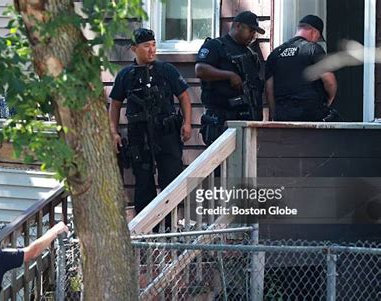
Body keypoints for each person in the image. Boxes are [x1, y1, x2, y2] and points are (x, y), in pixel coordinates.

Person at [109, 28, 192, 215]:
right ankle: (146, 234)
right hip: (139, 136)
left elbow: (184, 97)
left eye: (154, 45)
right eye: (146, 46)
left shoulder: (167, 70)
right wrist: (113, 132)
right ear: (134, 48)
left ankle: (170, 228)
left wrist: (187, 123)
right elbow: (114, 105)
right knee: (143, 182)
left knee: (171, 178)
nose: (152, 50)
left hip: (167, 133)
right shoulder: (126, 75)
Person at [195, 11, 265, 145]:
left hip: (246, 116)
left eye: (254, 32)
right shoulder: (215, 46)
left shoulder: (250, 54)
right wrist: (229, 75)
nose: (252, 35)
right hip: (221, 118)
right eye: (251, 30)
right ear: (238, 26)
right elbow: (200, 70)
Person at [265, 15, 338, 121]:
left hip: (283, 114)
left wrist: (275, 116)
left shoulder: (275, 53)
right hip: (310, 114)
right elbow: (329, 82)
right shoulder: (313, 49)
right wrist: (329, 101)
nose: (317, 40)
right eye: (318, 38)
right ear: (314, 32)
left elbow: (269, 89)